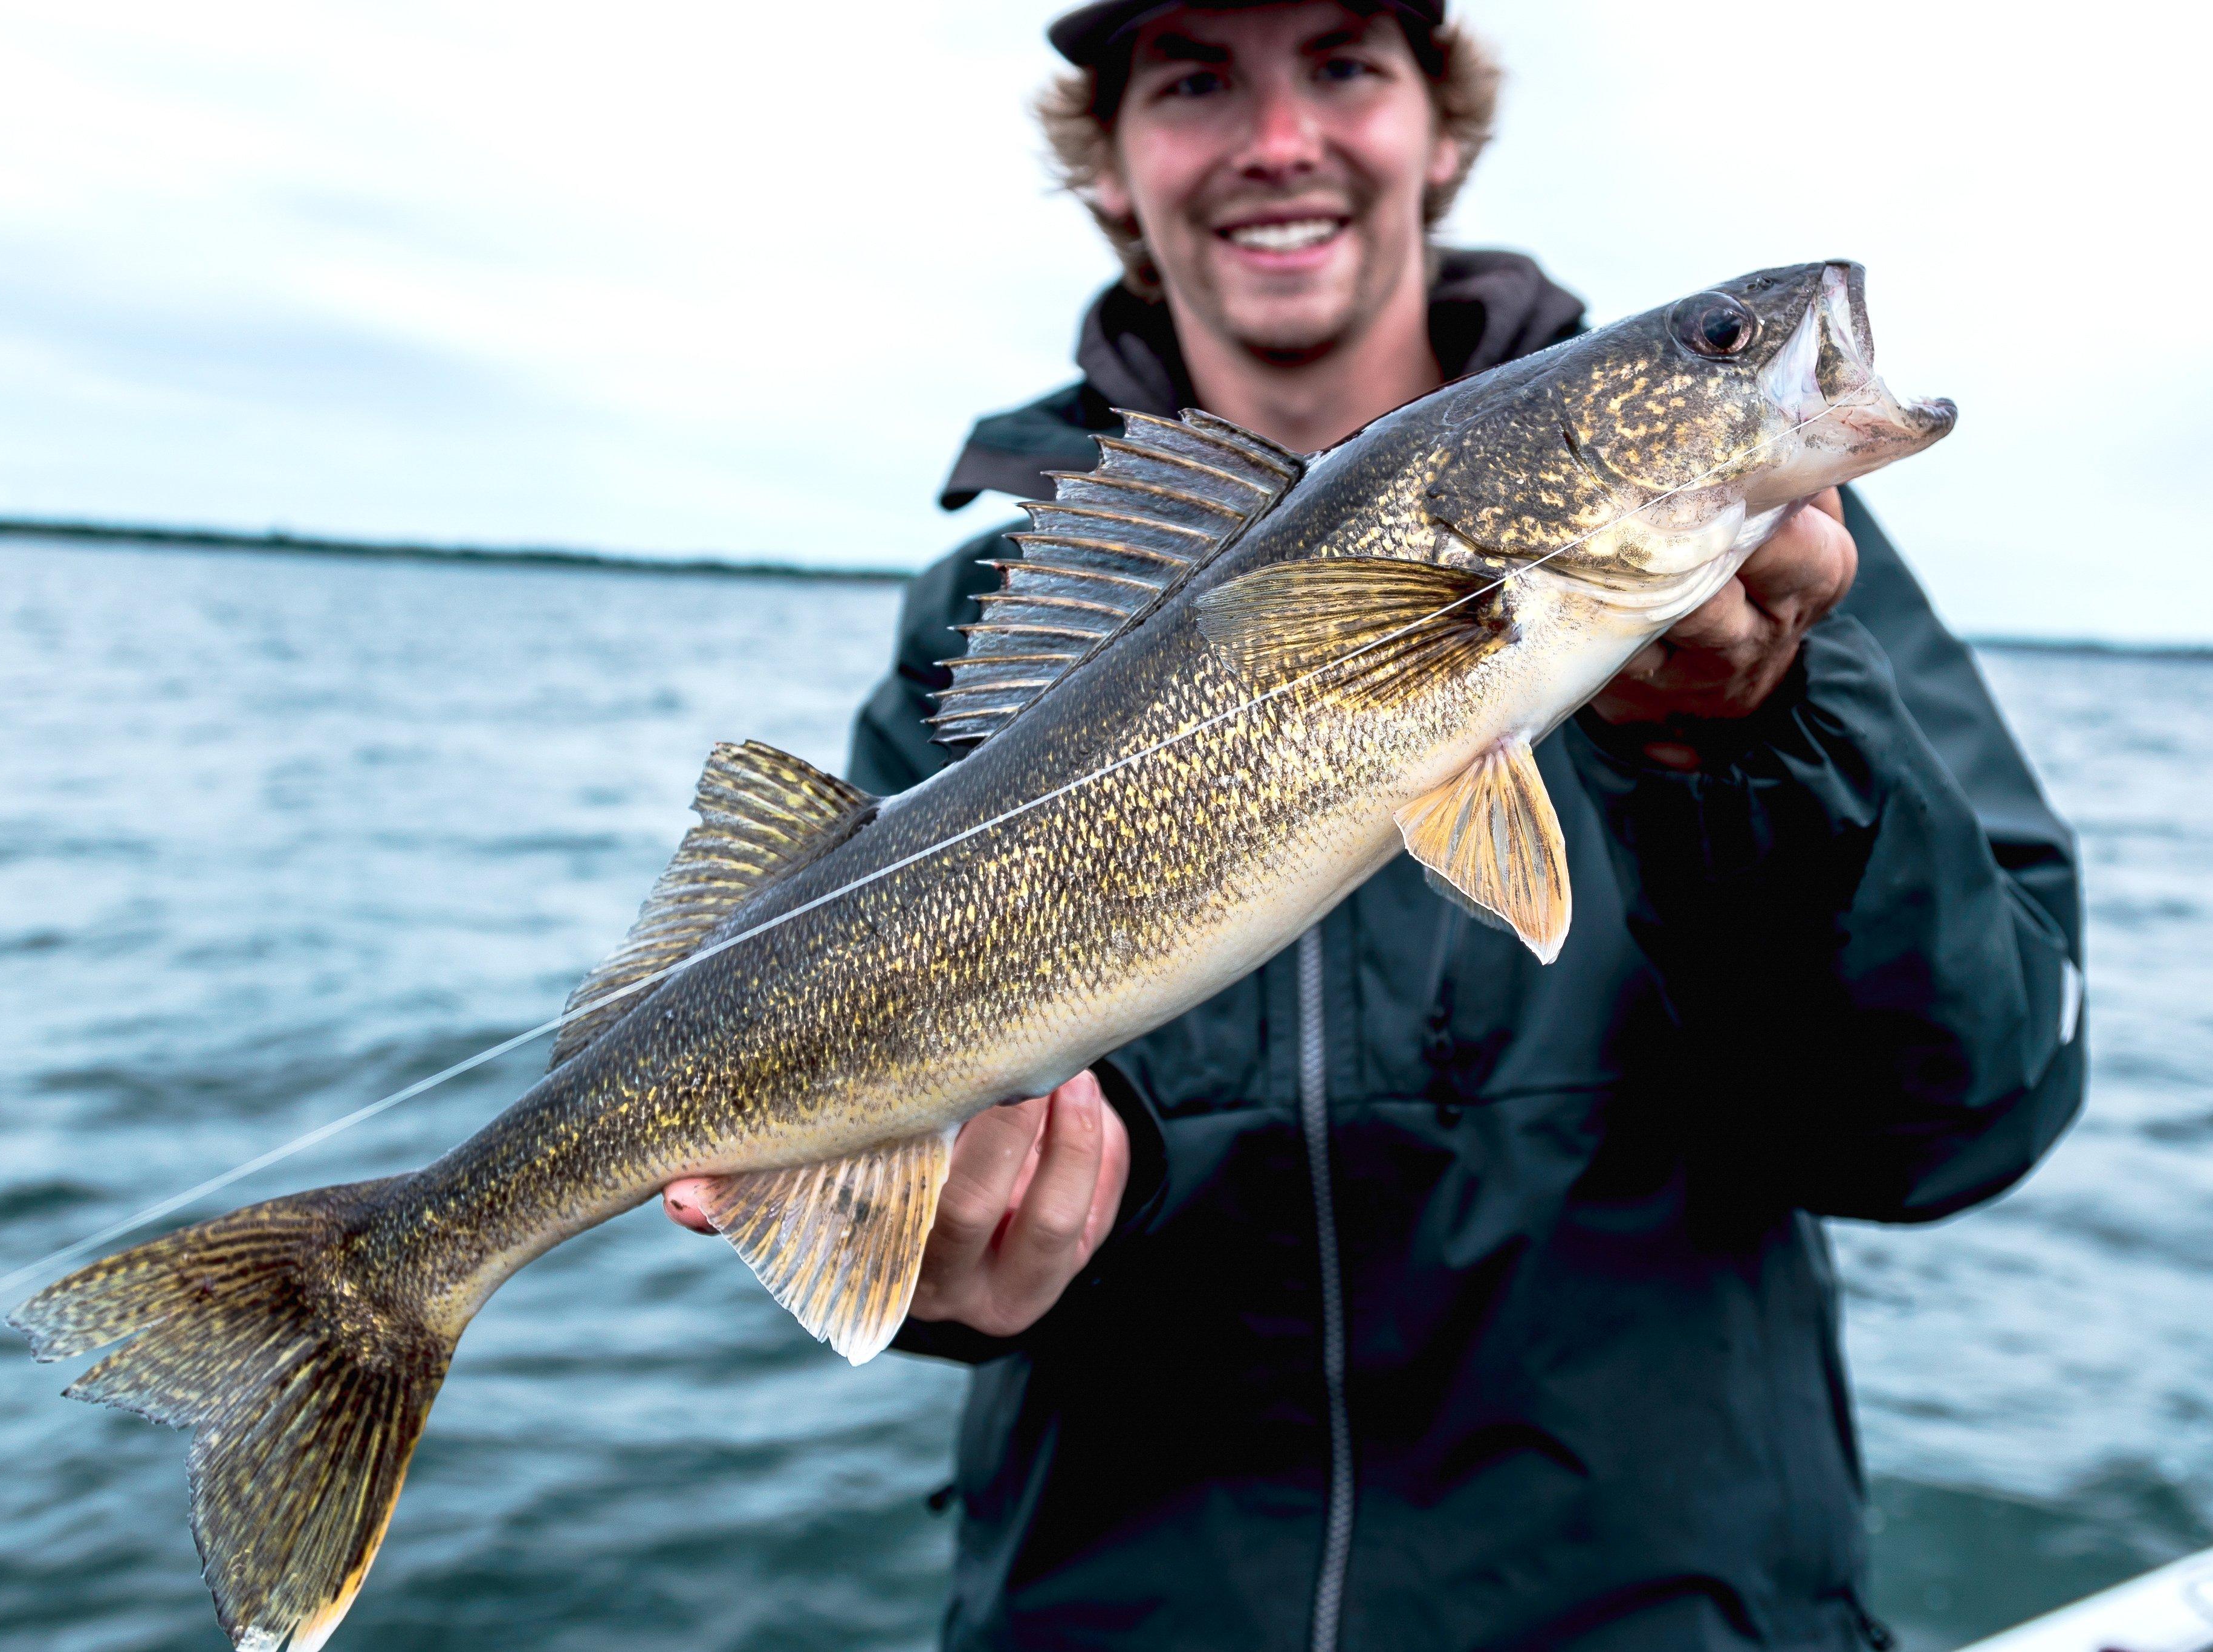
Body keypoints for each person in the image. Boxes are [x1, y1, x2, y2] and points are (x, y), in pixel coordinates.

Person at [669, 3, 2087, 1647]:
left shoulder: (1779, 578)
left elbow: (1961, 1116)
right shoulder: (990, 619)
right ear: (1114, 170)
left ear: (1442, 132)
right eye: (1196, 81)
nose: (1278, 140)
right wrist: (949, 1270)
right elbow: (934, 1165)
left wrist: (1755, 748)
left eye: (1342, 63)